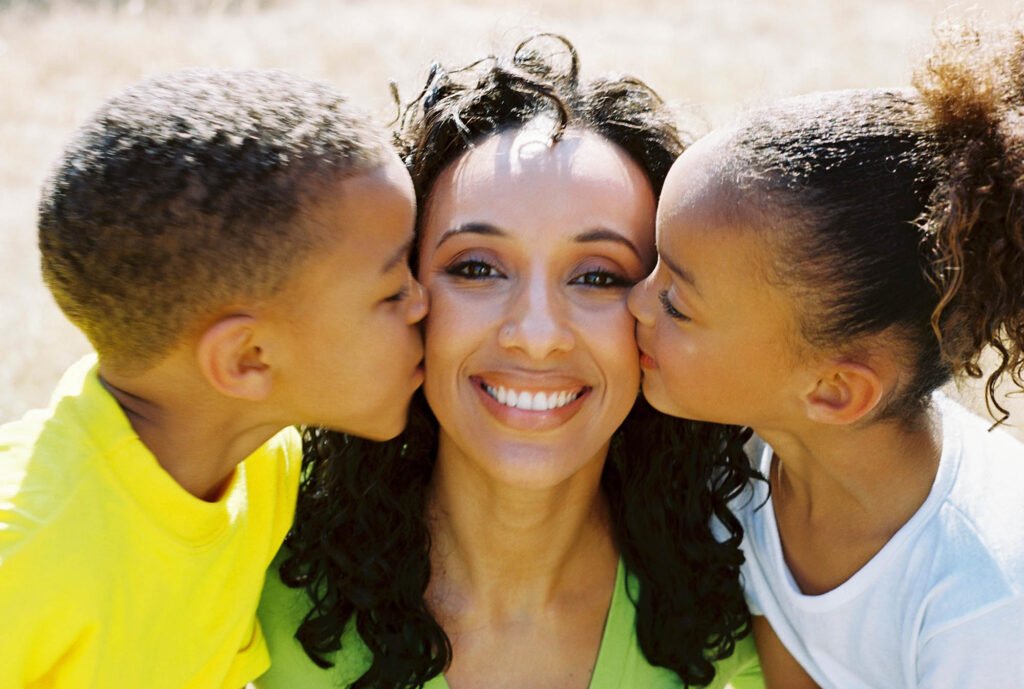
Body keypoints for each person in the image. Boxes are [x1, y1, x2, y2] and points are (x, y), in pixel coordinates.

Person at [256, 35, 763, 689]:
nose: (537, 335)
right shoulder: (252, 559)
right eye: (476, 267)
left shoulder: (753, 617)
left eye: (598, 277)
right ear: (404, 292)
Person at [628, 18, 1024, 689]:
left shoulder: (983, 602)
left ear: (834, 391)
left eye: (676, 302)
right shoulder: (754, 473)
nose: (634, 302)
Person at [0, 69, 427, 688]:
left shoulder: (265, 466)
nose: (424, 303)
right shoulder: (26, 549)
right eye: (393, 290)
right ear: (248, 359)